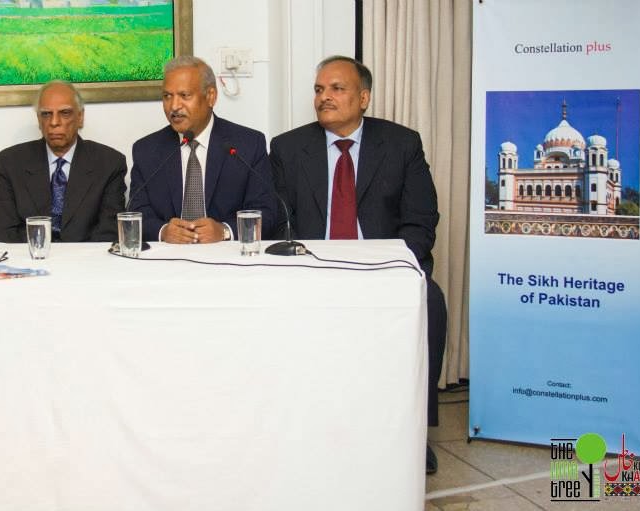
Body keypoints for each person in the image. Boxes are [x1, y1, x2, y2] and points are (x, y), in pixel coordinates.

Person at [269, 55, 447, 475]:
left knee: (432, 304)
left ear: (363, 97)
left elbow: (422, 219)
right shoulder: (288, 148)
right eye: (318, 89)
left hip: (381, 269)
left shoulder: (402, 143)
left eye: (336, 88)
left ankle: (414, 432)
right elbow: (278, 221)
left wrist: (397, 267)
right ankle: (295, 428)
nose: (323, 97)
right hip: (312, 269)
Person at [128, 56, 275, 244]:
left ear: (211, 96)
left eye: (185, 95)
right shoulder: (146, 150)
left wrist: (225, 231)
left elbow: (266, 211)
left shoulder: (247, 144)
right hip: (167, 260)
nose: (174, 106)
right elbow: (136, 211)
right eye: (167, 96)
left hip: (227, 261)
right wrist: (164, 231)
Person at [0, 80, 127, 243]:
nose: (54, 122)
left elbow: (108, 234)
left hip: (86, 263)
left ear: (80, 117)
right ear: (39, 120)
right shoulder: (11, 163)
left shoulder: (109, 164)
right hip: (30, 261)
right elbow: (1, 233)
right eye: (46, 114)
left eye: (65, 113)